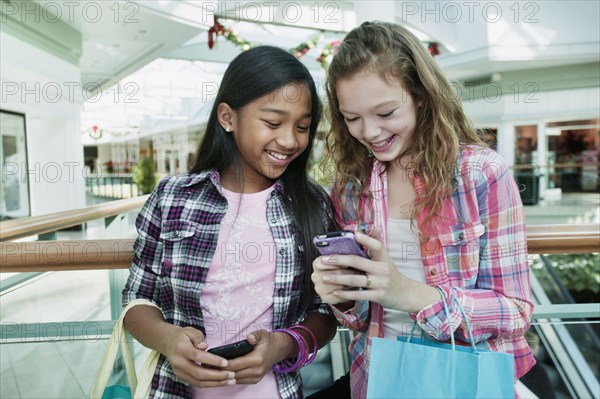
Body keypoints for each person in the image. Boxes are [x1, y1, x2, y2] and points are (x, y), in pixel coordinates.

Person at [310, 21, 536, 398]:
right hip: (377, 378)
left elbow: (515, 311)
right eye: (352, 118)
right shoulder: (351, 187)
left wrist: (408, 294)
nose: (368, 131)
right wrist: (344, 296)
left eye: (385, 113)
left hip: (464, 379)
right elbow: (359, 318)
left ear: (421, 96)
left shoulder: (479, 173)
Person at [122, 46, 338, 399]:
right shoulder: (173, 197)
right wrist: (169, 340)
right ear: (227, 117)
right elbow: (136, 301)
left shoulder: (313, 205)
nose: (289, 140)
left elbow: (324, 312)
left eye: (302, 127)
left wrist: (283, 345)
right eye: (272, 122)